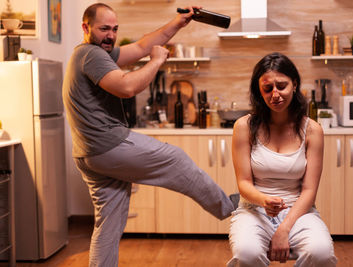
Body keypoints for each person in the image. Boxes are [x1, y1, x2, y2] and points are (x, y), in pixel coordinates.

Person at [62, 3, 237, 266]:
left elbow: (143, 45)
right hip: (108, 145)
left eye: (114, 29)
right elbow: (127, 87)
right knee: (175, 158)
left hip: (88, 154)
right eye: (104, 29)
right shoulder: (92, 54)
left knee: (109, 224)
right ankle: (227, 207)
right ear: (86, 28)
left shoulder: (94, 54)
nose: (110, 35)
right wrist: (157, 60)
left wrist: (179, 22)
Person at [227, 52, 337, 267]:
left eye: (282, 85)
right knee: (246, 254)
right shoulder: (244, 126)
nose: (275, 94)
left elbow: (309, 190)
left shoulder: (312, 130)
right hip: (254, 209)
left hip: (299, 211)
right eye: (268, 88)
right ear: (259, 91)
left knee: (320, 253)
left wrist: (283, 228)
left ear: (294, 84)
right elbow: (244, 183)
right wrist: (264, 200)